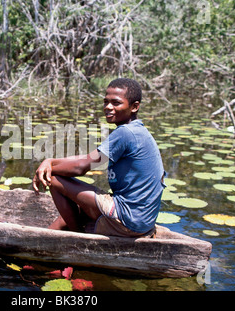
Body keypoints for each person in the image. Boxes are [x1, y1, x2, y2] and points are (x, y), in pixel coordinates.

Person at [32, 78, 166, 237]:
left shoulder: (126, 133)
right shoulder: (137, 130)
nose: (108, 107)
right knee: (75, 214)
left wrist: (49, 169)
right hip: (141, 221)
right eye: (106, 102)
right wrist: (49, 161)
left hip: (129, 220)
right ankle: (44, 236)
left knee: (53, 178)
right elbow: (89, 158)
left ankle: (78, 239)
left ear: (134, 106)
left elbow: (80, 167)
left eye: (116, 103)